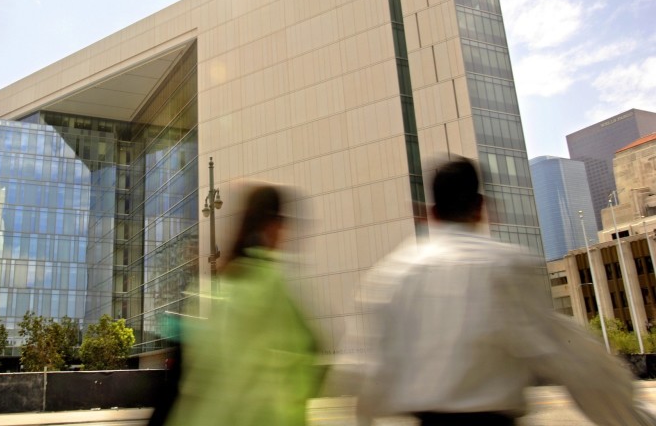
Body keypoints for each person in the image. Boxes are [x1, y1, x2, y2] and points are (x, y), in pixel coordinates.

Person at [354, 157, 655, 426]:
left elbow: (373, 373)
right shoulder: (506, 265)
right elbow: (572, 361)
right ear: (482, 207)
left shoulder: (393, 274)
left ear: (430, 213)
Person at [165, 184, 324, 426]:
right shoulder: (269, 282)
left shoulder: (215, 287)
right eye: (284, 224)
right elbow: (310, 348)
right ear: (273, 225)